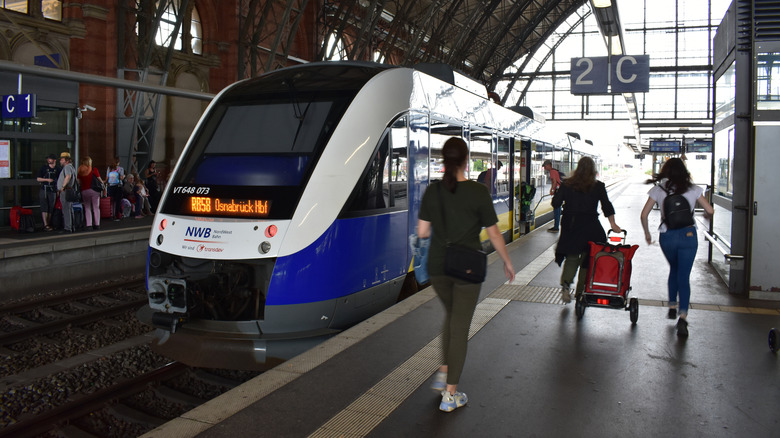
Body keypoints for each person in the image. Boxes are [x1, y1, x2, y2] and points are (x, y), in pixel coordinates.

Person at [417, 137, 515, 413]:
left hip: (438, 267)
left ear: (445, 160)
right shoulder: (477, 191)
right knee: (460, 327)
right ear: (465, 160)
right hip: (467, 269)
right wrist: (507, 261)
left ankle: (444, 370)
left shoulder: (432, 191)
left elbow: (423, 232)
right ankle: (450, 394)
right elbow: (493, 232)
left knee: (451, 317)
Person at [640, 157, 714, 337]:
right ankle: (683, 316)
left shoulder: (658, 190)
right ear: (684, 171)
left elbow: (644, 215)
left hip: (668, 236)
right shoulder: (694, 189)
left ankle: (672, 305)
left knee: (674, 268)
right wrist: (705, 215)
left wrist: (647, 234)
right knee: (684, 275)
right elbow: (710, 211)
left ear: (666, 171)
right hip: (688, 236)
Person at [552, 156, 621, 303]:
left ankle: (565, 286)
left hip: (570, 225)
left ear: (578, 169)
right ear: (593, 170)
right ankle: (580, 293)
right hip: (590, 226)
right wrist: (613, 224)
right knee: (588, 259)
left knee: (571, 257)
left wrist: (560, 192)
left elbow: (555, 203)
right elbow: (606, 206)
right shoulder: (598, 186)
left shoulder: (567, 184)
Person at [77, 156, 105, 231]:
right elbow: (100, 180)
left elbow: (78, 182)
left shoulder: (80, 171)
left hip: (84, 191)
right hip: (94, 191)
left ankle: (89, 225)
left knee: (87, 208)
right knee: (96, 207)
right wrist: (103, 184)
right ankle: (97, 224)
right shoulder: (94, 170)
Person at [36, 154, 60, 231]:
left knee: (51, 207)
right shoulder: (44, 168)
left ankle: (48, 223)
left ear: (54, 160)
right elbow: (38, 179)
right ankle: (45, 224)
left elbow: (60, 180)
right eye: (48, 159)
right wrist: (47, 180)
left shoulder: (58, 169)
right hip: (44, 189)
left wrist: (58, 190)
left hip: (53, 190)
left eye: (50, 159)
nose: (48, 160)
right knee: (44, 206)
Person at [56, 152, 77, 233]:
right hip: (69, 190)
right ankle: (72, 226)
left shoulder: (67, 167)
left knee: (66, 209)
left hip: (65, 191)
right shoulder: (71, 167)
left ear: (67, 160)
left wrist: (62, 187)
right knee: (69, 208)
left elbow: (68, 176)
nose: (60, 161)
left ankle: (68, 227)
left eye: (62, 159)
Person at [542, 159, 563, 232]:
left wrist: (552, 190)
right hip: (559, 191)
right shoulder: (555, 170)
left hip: (557, 191)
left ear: (548, 165)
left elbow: (554, 182)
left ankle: (556, 227)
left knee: (556, 208)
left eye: (545, 166)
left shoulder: (552, 172)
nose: (544, 168)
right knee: (558, 208)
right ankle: (556, 226)